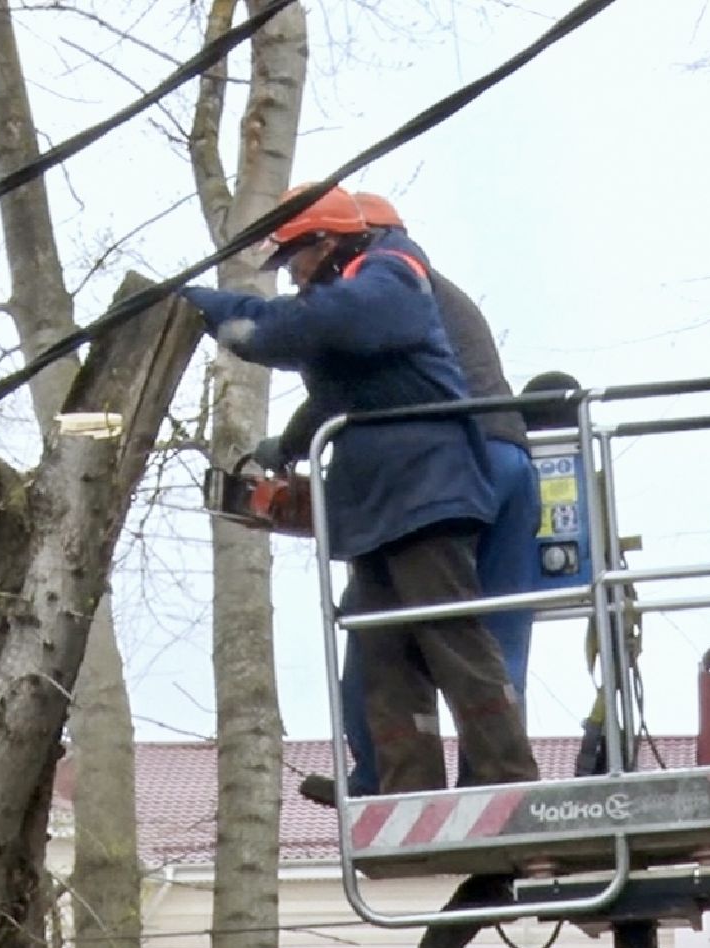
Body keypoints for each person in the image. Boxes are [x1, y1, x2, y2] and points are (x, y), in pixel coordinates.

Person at [179, 183, 539, 796]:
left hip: (432, 486)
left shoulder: (391, 276)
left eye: (296, 257)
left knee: (455, 636)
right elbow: (345, 387)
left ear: (332, 240)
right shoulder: (372, 294)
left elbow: (328, 329)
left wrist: (220, 311)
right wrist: (290, 446)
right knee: (383, 649)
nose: (294, 277)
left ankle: (505, 786)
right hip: (397, 496)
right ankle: (403, 786)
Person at [288, 193, 539, 806]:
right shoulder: (438, 290)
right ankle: (495, 785)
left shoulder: (380, 289)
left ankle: (391, 782)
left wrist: (293, 444)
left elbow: (346, 388)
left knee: (386, 635)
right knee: (488, 637)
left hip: (439, 477)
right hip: (508, 461)